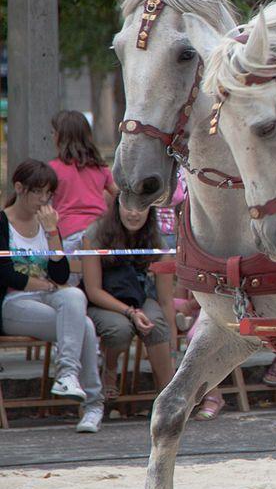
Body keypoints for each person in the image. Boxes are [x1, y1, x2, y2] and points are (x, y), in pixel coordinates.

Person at [0, 160, 105, 432]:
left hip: (48, 299)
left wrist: (51, 233)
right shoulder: (3, 223)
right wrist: (44, 286)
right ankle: (93, 404)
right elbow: (6, 274)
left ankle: (68, 374)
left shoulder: (46, 223)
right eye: (38, 193)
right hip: (13, 303)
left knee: (74, 299)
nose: (43, 200)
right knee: (85, 326)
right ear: (20, 188)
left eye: (49, 194)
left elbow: (60, 275)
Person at [80, 199, 175, 402]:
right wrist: (130, 312)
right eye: (128, 206)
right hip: (103, 299)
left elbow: (166, 301)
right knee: (120, 328)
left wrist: (173, 346)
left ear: (150, 210)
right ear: (117, 206)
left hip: (139, 296)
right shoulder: (95, 234)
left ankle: (169, 394)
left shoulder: (157, 241)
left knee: (156, 323)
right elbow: (93, 291)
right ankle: (110, 370)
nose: (134, 213)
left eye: (141, 206)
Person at [48, 111, 119, 276]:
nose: (51, 137)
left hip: (68, 233)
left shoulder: (52, 169)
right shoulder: (100, 167)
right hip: (99, 232)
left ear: (60, 137)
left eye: (53, 132)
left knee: (73, 281)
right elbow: (117, 194)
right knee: (98, 279)